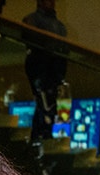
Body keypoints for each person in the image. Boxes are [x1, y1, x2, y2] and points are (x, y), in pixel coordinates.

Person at [21, 0, 67, 143]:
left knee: (50, 105)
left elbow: (64, 49)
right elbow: (31, 39)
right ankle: (39, 138)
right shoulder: (32, 19)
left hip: (54, 70)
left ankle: (43, 137)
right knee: (43, 103)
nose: (50, 3)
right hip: (39, 67)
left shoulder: (60, 26)